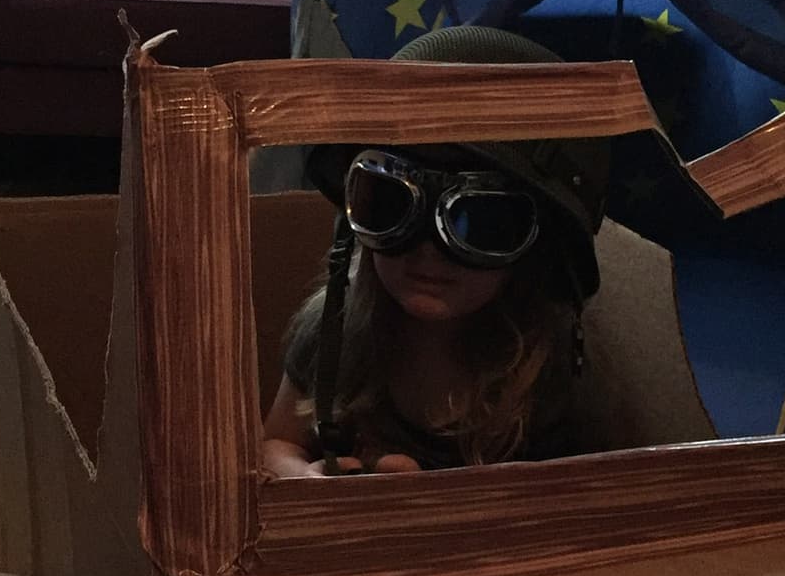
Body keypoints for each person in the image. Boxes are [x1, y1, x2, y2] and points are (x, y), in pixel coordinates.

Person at [260, 137, 608, 477]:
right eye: (391, 205)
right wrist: (304, 476)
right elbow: (277, 443)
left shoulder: (548, 363)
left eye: (478, 221)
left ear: (533, 246)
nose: (428, 249)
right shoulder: (335, 327)